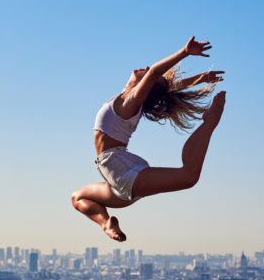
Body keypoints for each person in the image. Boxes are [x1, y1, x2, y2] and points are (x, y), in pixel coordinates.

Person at [71, 36, 226, 242]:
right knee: (78, 197)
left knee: (189, 177)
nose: (145, 67)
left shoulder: (130, 101)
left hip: (120, 170)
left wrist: (184, 52)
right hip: (115, 175)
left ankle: (209, 122)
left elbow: (154, 73)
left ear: (146, 85)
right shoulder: (128, 99)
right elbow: (169, 87)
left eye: (148, 77)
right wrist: (202, 78)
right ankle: (106, 224)